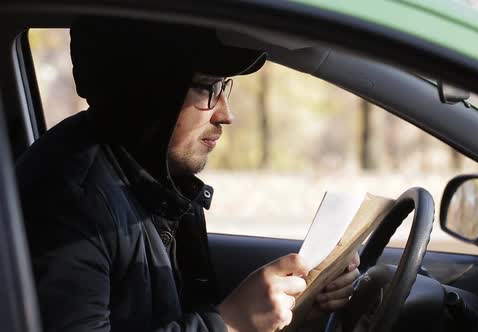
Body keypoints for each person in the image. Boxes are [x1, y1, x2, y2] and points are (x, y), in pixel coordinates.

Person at [16, 17, 360, 332]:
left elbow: (175, 311)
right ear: (147, 93)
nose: (226, 115)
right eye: (206, 88)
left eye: (224, 87)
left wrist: (288, 303)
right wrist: (228, 324)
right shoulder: (67, 204)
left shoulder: (155, 176)